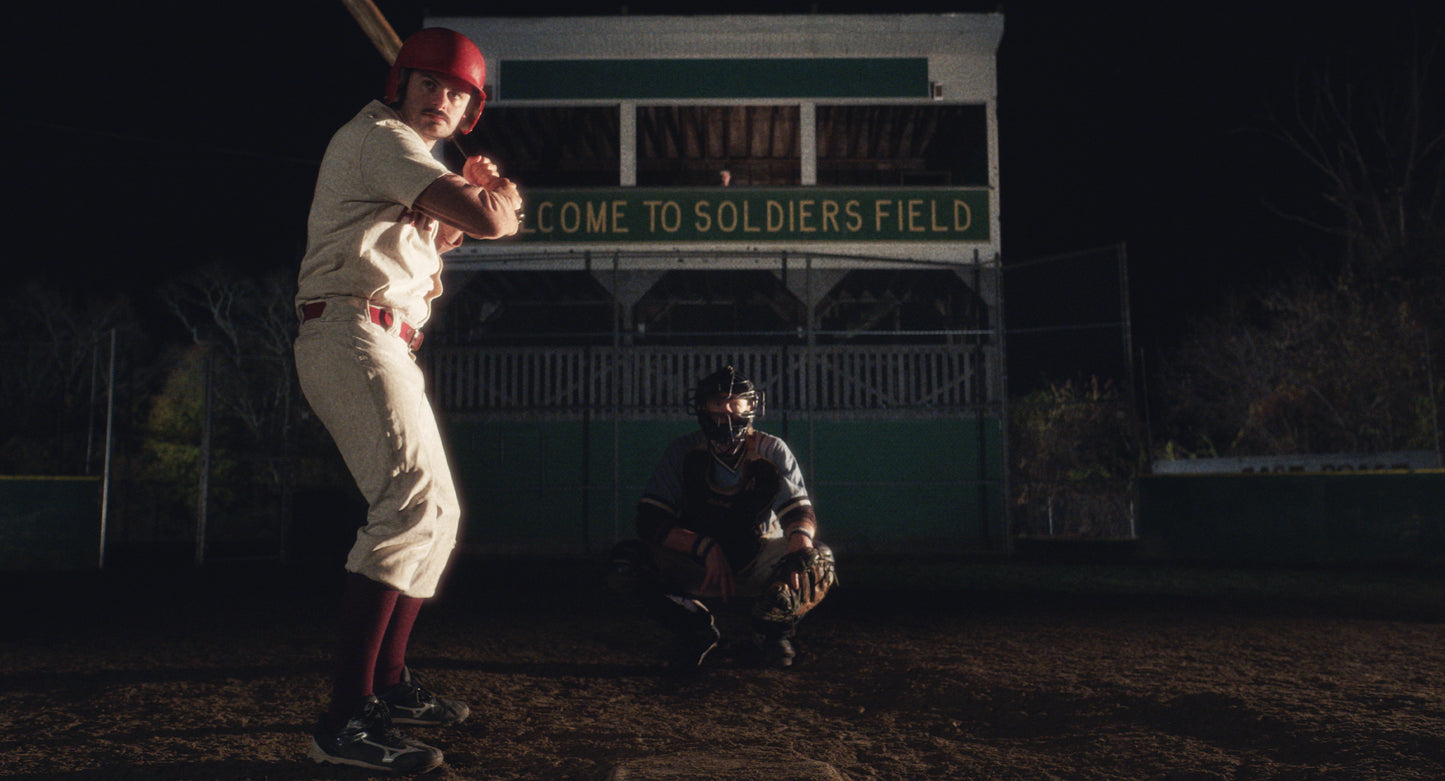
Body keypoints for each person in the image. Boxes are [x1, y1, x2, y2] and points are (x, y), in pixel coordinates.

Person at [293, 27, 522, 775]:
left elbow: (446, 237)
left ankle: (386, 685)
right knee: (408, 507)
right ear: (402, 86)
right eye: (428, 83)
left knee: (439, 516)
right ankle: (343, 719)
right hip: (349, 330)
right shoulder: (380, 137)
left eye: (457, 93)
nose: (442, 98)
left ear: (468, 111)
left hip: (383, 338)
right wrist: (495, 196)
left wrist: (471, 190)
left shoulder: (411, 159)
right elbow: (491, 224)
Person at [614, 366, 837, 670]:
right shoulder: (684, 452)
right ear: (702, 407)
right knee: (626, 564)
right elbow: (651, 519)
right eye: (717, 403)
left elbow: (798, 510)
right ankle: (692, 629)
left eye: (735, 403)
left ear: (751, 407)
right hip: (699, 564)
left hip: (759, 557)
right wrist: (705, 548)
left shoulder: (771, 449)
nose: (726, 412)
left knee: (818, 560)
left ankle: (773, 634)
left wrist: (800, 546)